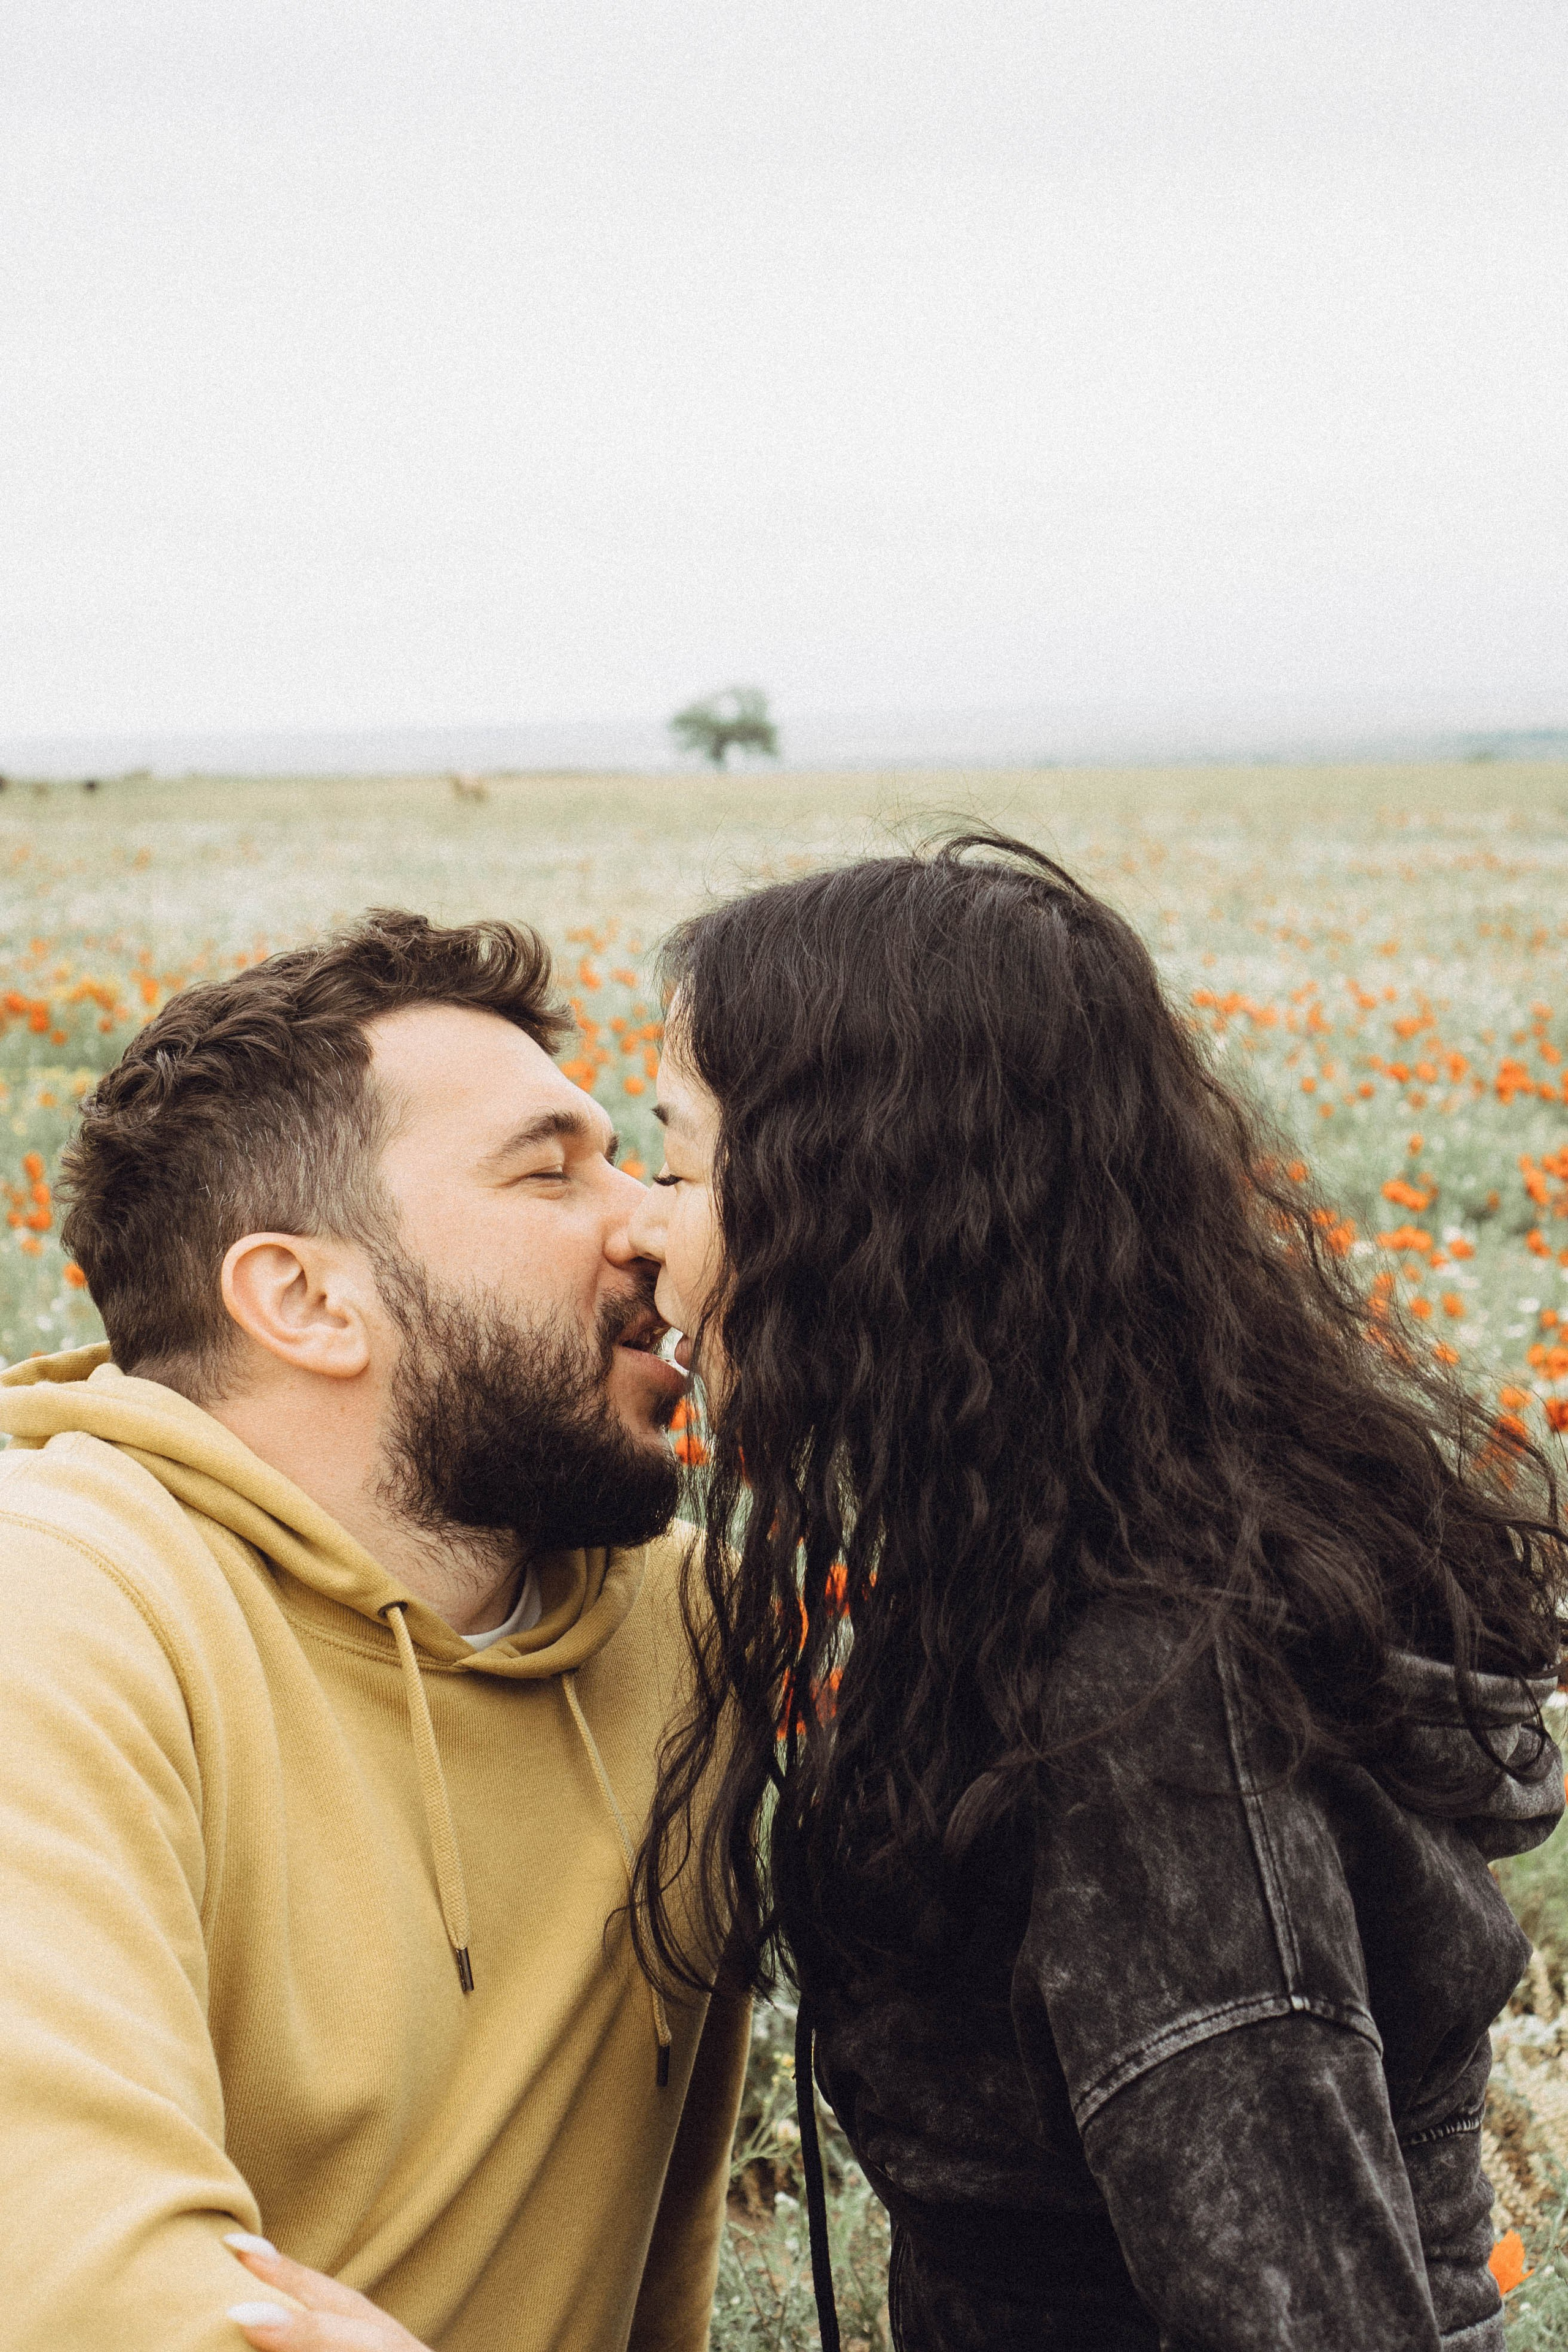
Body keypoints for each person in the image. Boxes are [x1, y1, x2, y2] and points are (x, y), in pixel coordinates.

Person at [622, 834, 1567, 2351]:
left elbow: (1299, 2315)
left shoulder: (1144, 1699)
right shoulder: (1035, 1555)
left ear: (856, 1208)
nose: (641, 1222)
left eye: (675, 1160)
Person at [0, 911, 748, 2352]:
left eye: (632, 1157)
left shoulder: (686, 1623)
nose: (647, 1220)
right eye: (551, 1171)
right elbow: (86, 2287)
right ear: (305, 1300)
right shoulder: (64, 1607)